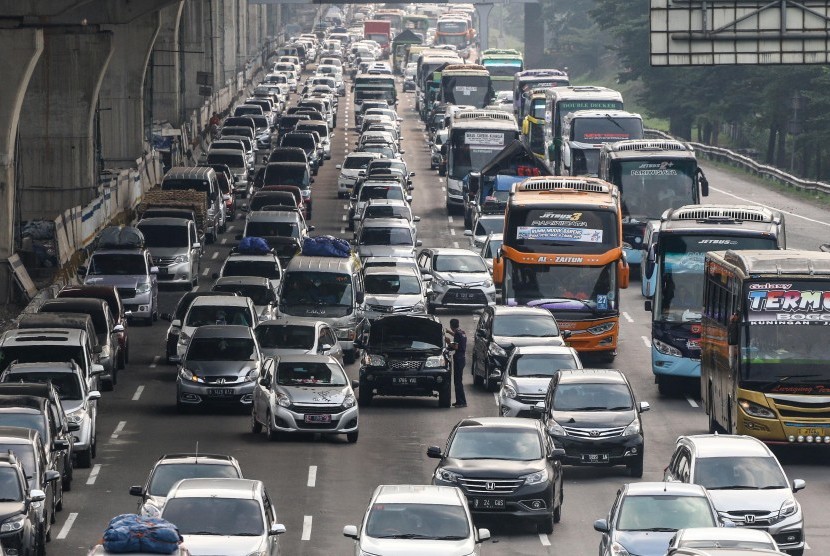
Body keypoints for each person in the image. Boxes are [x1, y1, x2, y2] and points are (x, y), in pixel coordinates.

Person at [447, 318, 467, 408]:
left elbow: (455, 347)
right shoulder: (462, 332)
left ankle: (461, 402)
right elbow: (456, 336)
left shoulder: (457, 334)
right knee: (459, 381)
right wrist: (449, 332)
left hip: (458, 359)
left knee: (457, 381)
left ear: (451, 326)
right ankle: (460, 400)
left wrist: (448, 342)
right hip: (462, 358)